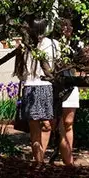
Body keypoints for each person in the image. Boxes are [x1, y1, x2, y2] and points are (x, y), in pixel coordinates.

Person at [18, 18, 59, 162]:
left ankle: (39, 160)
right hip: (31, 86)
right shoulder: (25, 46)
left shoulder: (53, 44)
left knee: (47, 124)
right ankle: (39, 162)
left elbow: (57, 65)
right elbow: (20, 71)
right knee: (35, 126)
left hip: (47, 86)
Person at [52, 19, 81, 167]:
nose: (68, 29)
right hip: (56, 86)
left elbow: (83, 62)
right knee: (57, 124)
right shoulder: (53, 45)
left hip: (71, 85)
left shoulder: (75, 44)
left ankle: (68, 161)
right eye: (65, 26)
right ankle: (64, 157)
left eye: (70, 26)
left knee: (68, 123)